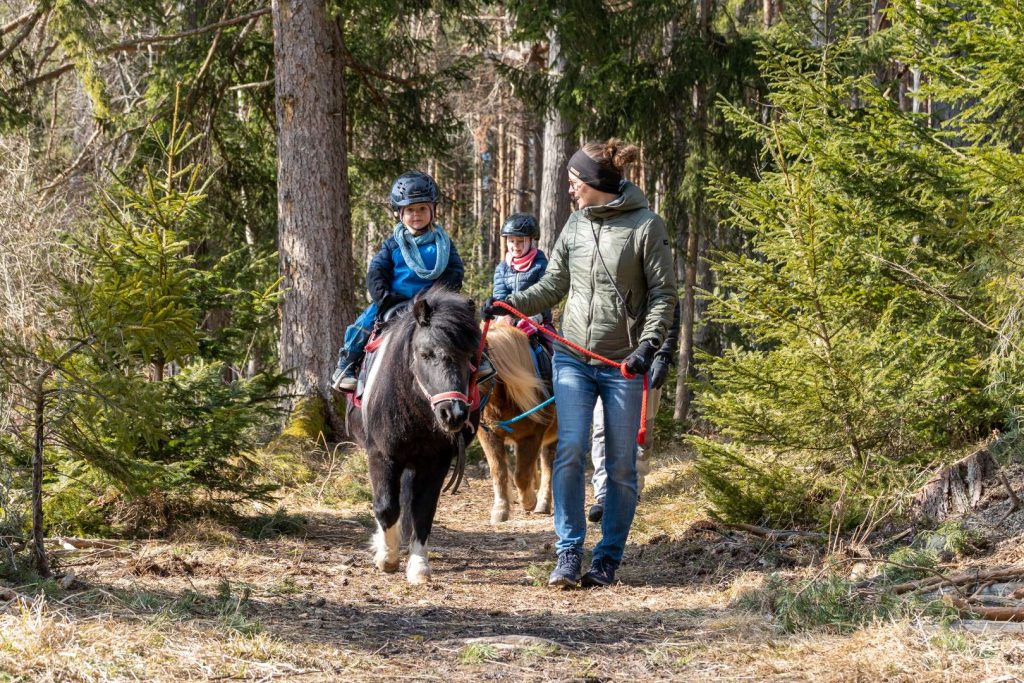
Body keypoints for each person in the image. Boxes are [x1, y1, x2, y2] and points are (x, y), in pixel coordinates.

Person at [483, 138, 677, 588]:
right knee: (569, 450)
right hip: (572, 358)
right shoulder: (574, 225)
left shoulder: (647, 227)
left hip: (624, 365)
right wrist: (508, 304)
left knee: (622, 464)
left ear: (595, 183)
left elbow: (664, 296)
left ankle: (607, 559)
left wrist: (648, 347)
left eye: (575, 183)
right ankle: (568, 552)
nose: (570, 191)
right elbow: (552, 285)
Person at [333, 171, 464, 392]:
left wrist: (441, 294)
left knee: (462, 322)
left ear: (432, 210)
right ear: (399, 213)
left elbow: (455, 270)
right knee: (362, 324)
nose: (416, 214)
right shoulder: (392, 244)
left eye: (422, 208)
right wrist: (384, 296)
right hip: (396, 302)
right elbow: (376, 271)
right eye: (410, 210)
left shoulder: (444, 244)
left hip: (433, 304)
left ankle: (478, 361)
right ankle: (346, 365)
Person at [589, 300, 681, 523]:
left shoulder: (657, 271)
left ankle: (632, 489)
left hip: (647, 358)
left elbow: (670, 311)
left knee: (642, 429)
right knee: (602, 427)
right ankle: (603, 493)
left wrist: (664, 355)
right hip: (609, 359)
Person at [491, 213, 554, 369]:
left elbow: (546, 297)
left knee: (557, 352)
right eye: (511, 241)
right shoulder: (502, 268)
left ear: (531, 241)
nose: (515, 246)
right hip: (508, 322)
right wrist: (504, 316)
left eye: (520, 241)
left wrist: (536, 318)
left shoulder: (541, 265)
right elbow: (499, 296)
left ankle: (554, 383)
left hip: (537, 323)